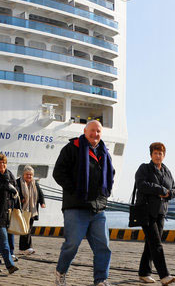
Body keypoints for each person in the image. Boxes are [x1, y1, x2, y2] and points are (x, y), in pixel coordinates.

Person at [53, 120, 115, 286]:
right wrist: (74, 190)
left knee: (103, 246)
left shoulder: (104, 153)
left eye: (98, 131)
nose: (95, 134)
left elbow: (111, 175)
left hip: (98, 208)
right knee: (72, 244)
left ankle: (101, 279)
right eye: (92, 131)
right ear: (85, 131)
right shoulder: (72, 148)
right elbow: (58, 172)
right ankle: (61, 271)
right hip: (76, 206)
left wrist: (104, 196)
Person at [135, 142, 175, 285]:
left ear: (164, 155)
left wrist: (169, 193)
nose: (158, 156)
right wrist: (160, 190)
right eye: (155, 153)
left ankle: (144, 273)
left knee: (150, 243)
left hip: (160, 212)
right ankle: (164, 276)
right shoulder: (144, 168)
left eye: (160, 153)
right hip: (146, 211)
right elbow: (141, 185)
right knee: (156, 243)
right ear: (151, 155)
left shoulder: (167, 171)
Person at [16, 165, 46, 254]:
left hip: (32, 210)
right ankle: (27, 247)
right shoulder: (18, 182)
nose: (29, 176)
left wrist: (42, 202)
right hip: (22, 209)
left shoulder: (35, 184)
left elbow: (40, 194)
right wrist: (21, 198)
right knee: (25, 229)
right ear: (23, 174)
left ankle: (24, 248)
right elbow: (16, 192)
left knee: (28, 229)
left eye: (30, 175)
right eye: (27, 174)